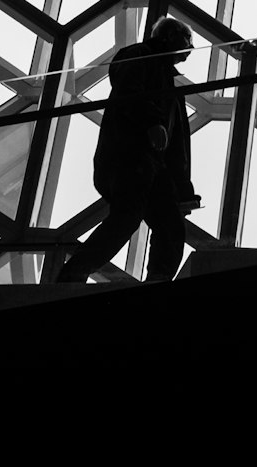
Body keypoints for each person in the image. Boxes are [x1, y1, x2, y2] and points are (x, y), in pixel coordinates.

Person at [57, 16, 199, 285]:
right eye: (187, 41)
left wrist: (182, 188)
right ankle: (75, 273)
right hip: (131, 157)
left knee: (160, 223)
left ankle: (80, 272)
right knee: (135, 218)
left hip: (143, 161)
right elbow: (130, 91)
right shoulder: (141, 57)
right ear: (170, 37)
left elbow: (173, 144)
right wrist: (152, 122)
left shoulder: (159, 73)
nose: (191, 48)